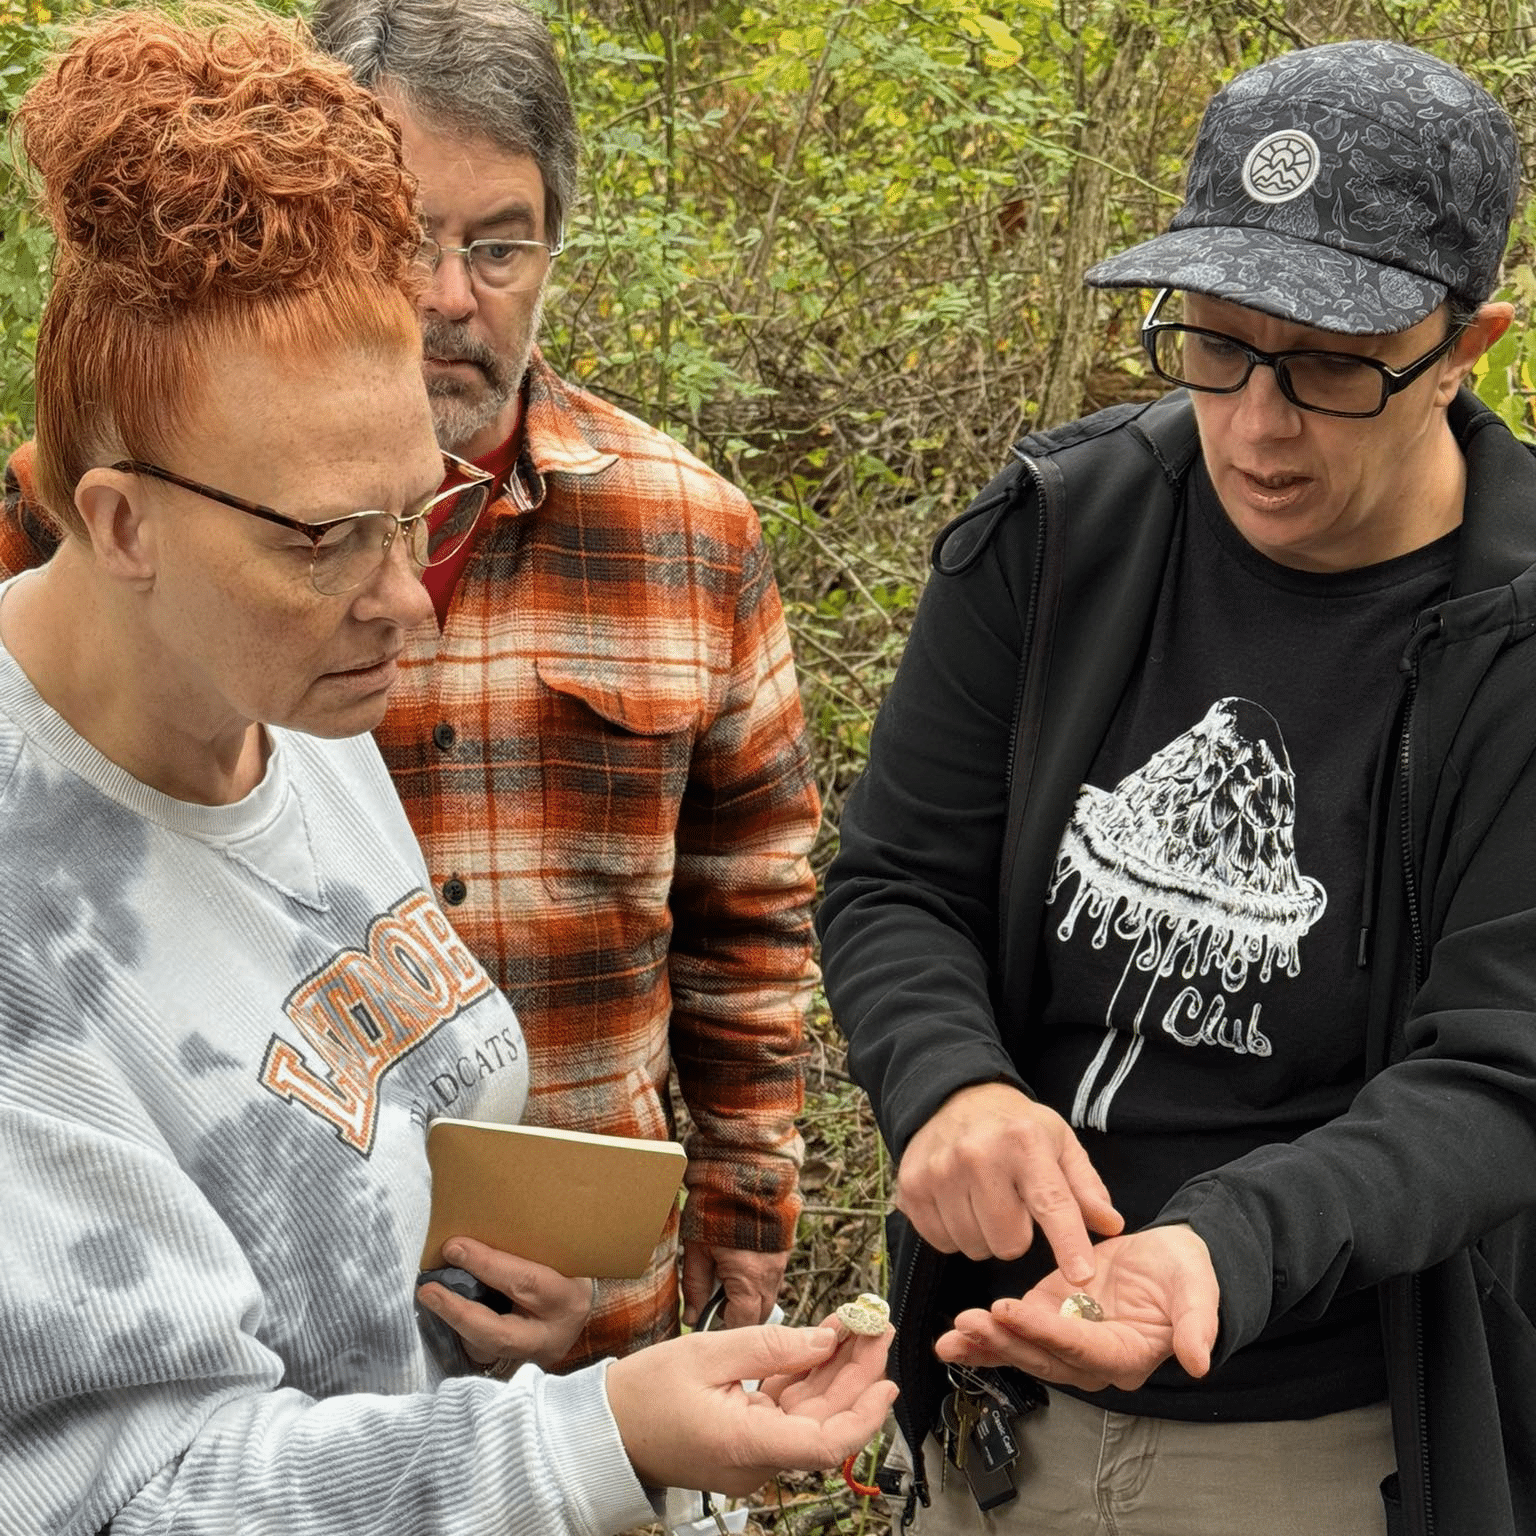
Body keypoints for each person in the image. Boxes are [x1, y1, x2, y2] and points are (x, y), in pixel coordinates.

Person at [0, 12, 895, 1535]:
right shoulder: (42, 924)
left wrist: (490, 1313)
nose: (409, 603)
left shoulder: (289, 715)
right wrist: (590, 1439)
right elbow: (130, 1496)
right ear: (119, 523)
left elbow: (356, 1151)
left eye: (415, 513)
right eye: (322, 539)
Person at [817, 39, 1536, 1536]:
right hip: (992, 1403)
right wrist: (949, 1083)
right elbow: (897, 881)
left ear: (1469, 347)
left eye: (1332, 366)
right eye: (1216, 345)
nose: (1258, 426)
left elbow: (1496, 1074)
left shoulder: (1513, 641)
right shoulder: (1056, 536)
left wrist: (1217, 1252)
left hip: (1329, 1434)